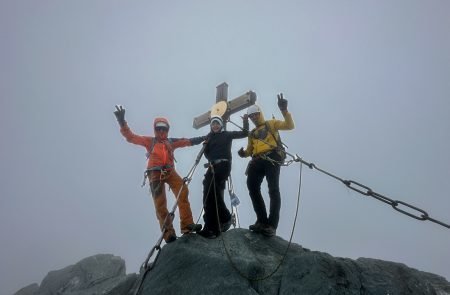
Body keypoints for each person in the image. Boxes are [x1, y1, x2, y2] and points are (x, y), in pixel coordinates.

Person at [114, 105, 205, 243]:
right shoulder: (149, 141)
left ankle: (187, 225)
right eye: (159, 128)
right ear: (155, 129)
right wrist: (122, 122)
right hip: (154, 175)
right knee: (160, 204)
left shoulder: (171, 142)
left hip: (169, 171)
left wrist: (204, 138)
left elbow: (187, 141)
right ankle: (168, 234)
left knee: (182, 190)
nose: (161, 130)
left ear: (167, 129)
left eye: (164, 128)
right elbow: (131, 137)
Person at [237, 94, 295, 237]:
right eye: (252, 117)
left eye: (256, 115)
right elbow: (250, 150)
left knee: (273, 189)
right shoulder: (252, 134)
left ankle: (271, 225)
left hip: (272, 157)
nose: (254, 118)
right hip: (257, 160)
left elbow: (289, 125)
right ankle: (262, 221)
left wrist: (284, 110)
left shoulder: (271, 124)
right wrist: (243, 154)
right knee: (252, 187)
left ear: (260, 114)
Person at [197, 114, 249, 239]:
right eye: (213, 124)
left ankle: (225, 218)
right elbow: (208, 155)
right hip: (211, 167)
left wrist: (245, 121)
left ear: (221, 125)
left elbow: (244, 133)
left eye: (217, 123)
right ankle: (209, 227)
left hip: (223, 165)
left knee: (214, 192)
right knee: (207, 196)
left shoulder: (227, 135)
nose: (215, 125)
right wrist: (205, 147)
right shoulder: (209, 138)